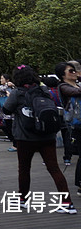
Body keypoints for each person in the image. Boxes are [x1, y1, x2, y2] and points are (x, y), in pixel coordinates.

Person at [1, 65, 77, 214]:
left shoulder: (17, 93)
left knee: (24, 169)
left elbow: (6, 110)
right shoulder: (44, 90)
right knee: (54, 168)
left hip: (25, 137)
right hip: (47, 135)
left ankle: (23, 199)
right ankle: (67, 202)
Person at [54, 60, 81, 190]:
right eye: (71, 70)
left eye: (74, 69)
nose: (74, 72)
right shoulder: (63, 87)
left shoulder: (77, 85)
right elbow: (75, 93)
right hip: (76, 125)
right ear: (62, 75)